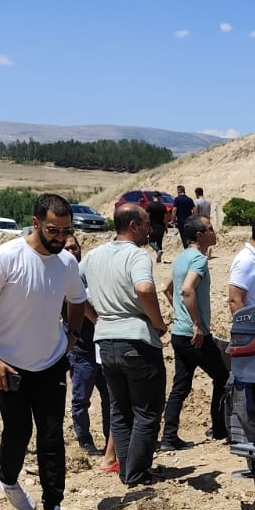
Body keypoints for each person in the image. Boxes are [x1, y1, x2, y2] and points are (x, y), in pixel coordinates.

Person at [0, 193, 86, 510]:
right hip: (10, 366)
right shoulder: (5, 257)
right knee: (18, 433)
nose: (61, 238)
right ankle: (7, 477)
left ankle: (53, 509)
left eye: (65, 230)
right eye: (53, 230)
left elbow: (78, 299)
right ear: (35, 223)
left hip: (51, 362)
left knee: (51, 435)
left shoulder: (67, 263)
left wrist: (72, 334)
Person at [82, 205, 169, 488]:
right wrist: (158, 322)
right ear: (133, 226)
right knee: (147, 409)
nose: (150, 229)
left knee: (119, 410)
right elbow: (144, 289)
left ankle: (126, 470)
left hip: (105, 340)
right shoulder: (137, 256)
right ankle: (138, 473)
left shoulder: (94, 255)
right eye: (146, 224)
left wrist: (95, 318)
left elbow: (72, 290)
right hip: (136, 338)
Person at [162, 215, 227, 450]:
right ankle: (220, 428)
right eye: (210, 229)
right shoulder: (199, 259)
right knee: (222, 377)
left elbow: (167, 288)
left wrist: (179, 314)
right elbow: (187, 289)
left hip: (180, 334)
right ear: (199, 235)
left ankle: (169, 437)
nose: (214, 232)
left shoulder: (181, 258)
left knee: (181, 385)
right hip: (195, 335)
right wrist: (196, 324)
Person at [64, 234, 111, 457]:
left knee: (110, 396)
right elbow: (77, 302)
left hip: (101, 347)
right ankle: (85, 441)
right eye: (67, 248)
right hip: (81, 349)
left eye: (75, 247)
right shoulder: (63, 277)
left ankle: (112, 438)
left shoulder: (88, 274)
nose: (72, 251)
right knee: (81, 399)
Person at [146, 193, 168, 262]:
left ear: (153, 197)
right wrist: (166, 227)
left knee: (151, 241)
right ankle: (159, 258)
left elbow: (147, 217)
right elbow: (166, 218)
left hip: (153, 226)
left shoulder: (149, 206)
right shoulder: (163, 206)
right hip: (161, 226)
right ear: (159, 197)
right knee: (159, 241)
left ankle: (158, 250)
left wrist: (147, 227)